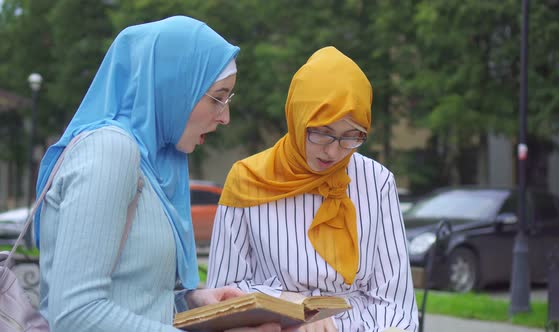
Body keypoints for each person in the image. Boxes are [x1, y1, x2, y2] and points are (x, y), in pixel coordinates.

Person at [33, 16, 279, 332]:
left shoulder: (154, 164)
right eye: (217, 96)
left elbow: (130, 299)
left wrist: (191, 302)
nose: (225, 117)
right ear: (174, 85)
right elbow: (75, 316)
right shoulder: (110, 150)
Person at [207, 46, 419, 331]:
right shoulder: (247, 179)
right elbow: (224, 290)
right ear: (298, 117)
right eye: (321, 133)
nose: (333, 151)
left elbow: (395, 297)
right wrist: (288, 305)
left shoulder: (377, 181)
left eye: (350, 137)